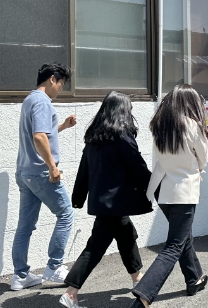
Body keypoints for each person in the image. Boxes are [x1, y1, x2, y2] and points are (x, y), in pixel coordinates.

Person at [59, 92, 153, 308]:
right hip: (116, 202)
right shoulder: (122, 136)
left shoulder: (94, 137)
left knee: (126, 234)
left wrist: (78, 197)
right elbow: (137, 165)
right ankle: (71, 293)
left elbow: (84, 170)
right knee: (96, 246)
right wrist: (154, 185)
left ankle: (137, 278)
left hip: (104, 203)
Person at [131, 85, 208, 308]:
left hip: (163, 193)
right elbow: (203, 158)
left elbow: (161, 161)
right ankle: (143, 296)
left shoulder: (160, 125)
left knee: (183, 236)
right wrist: (195, 168)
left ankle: (194, 278)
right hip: (185, 193)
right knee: (174, 245)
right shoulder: (193, 125)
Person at [10, 63, 77, 291]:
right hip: (40, 172)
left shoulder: (30, 100)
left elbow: (42, 134)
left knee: (25, 225)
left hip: (25, 172)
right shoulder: (42, 102)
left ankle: (20, 275)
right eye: (61, 84)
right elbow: (39, 137)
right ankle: (54, 266)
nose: (61, 88)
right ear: (52, 79)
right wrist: (52, 167)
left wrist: (62, 126)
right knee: (66, 214)